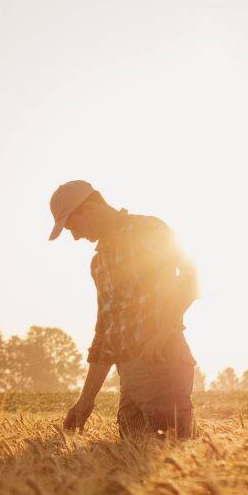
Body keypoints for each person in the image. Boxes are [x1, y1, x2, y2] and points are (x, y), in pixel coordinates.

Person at [47, 180, 199, 439]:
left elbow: (190, 277)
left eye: (73, 226)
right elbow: (105, 334)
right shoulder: (99, 263)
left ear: (90, 208)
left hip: (162, 363)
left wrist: (164, 332)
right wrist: (85, 401)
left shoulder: (147, 229)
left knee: (172, 456)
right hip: (129, 377)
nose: (75, 236)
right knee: (132, 465)